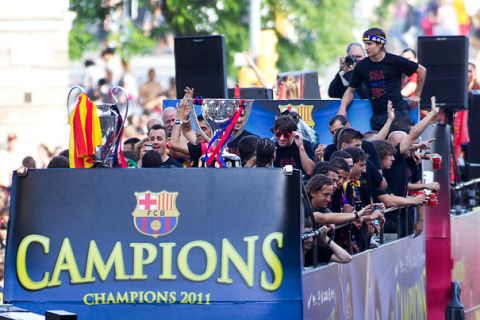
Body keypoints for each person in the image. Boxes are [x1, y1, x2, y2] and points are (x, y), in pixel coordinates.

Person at [337, 27, 427, 131]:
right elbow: (350, 90)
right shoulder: (361, 66)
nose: (366, 48)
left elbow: (421, 70)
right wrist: (342, 109)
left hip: (398, 113)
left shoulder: (394, 60)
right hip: (378, 116)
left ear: (380, 44)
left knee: (398, 141)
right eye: (365, 44)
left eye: (369, 44)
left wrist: (417, 95)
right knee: (378, 146)